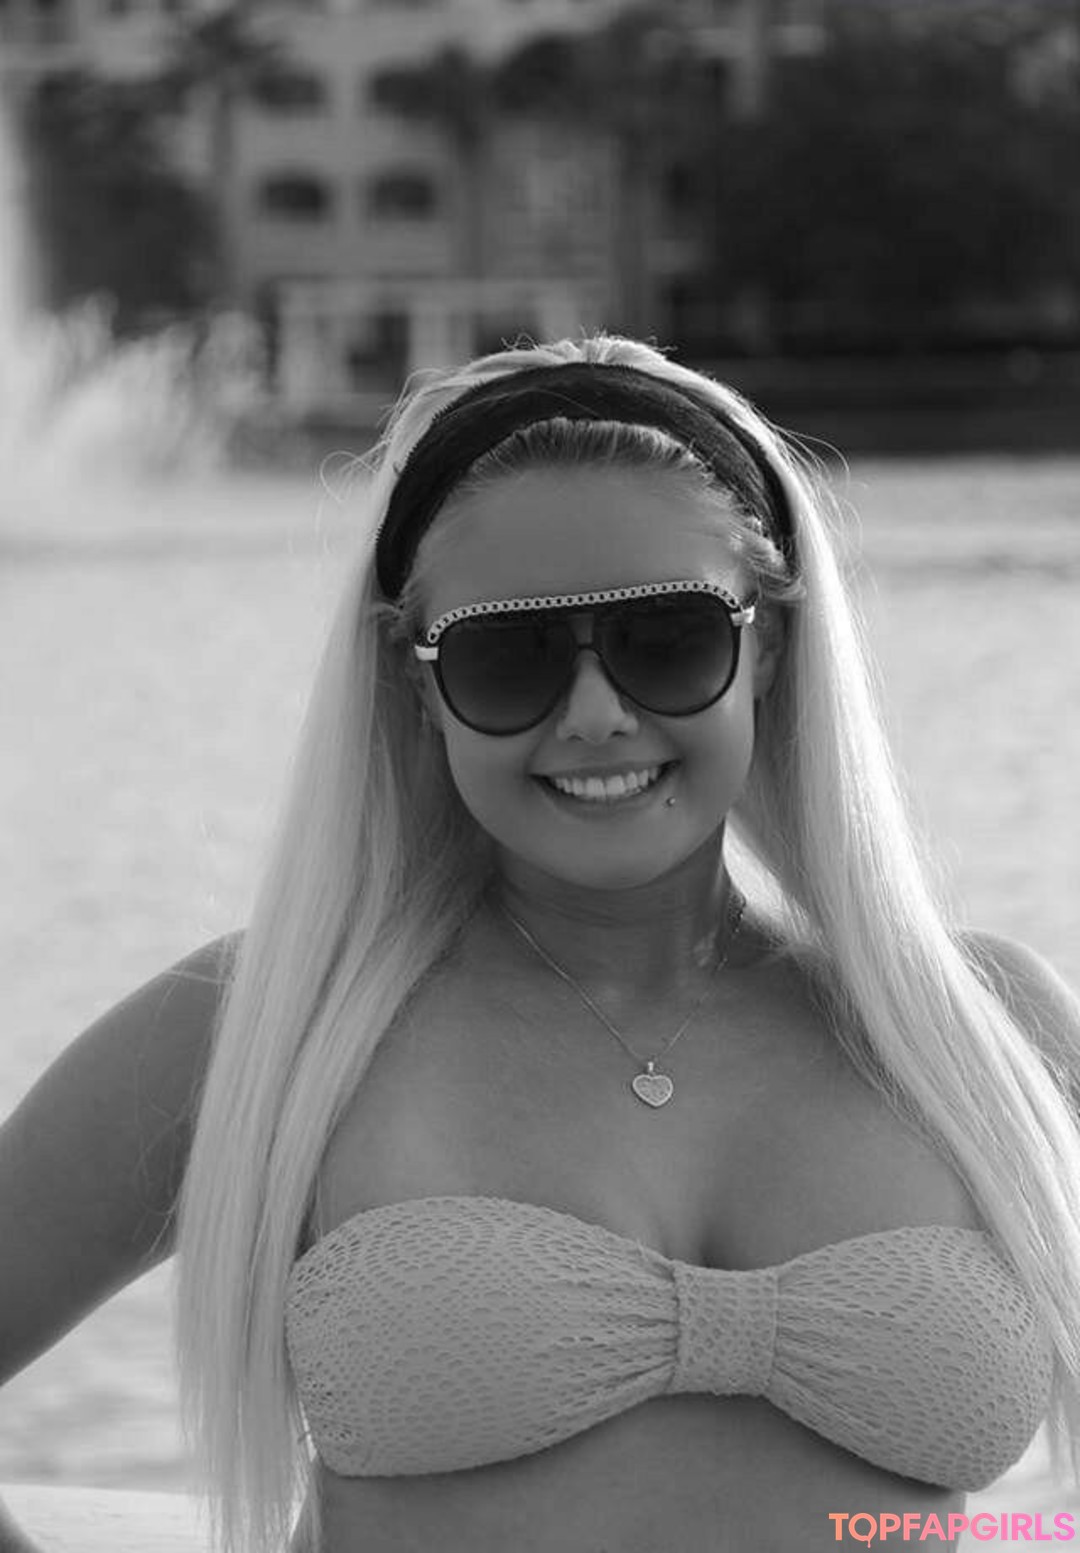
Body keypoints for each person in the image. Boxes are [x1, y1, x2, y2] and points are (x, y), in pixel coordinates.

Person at [3, 333, 1080, 1553]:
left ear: (769, 645)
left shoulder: (984, 1030)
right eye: (506, 657)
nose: (595, 714)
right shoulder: (268, 1021)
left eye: (667, 637)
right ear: (416, 682)